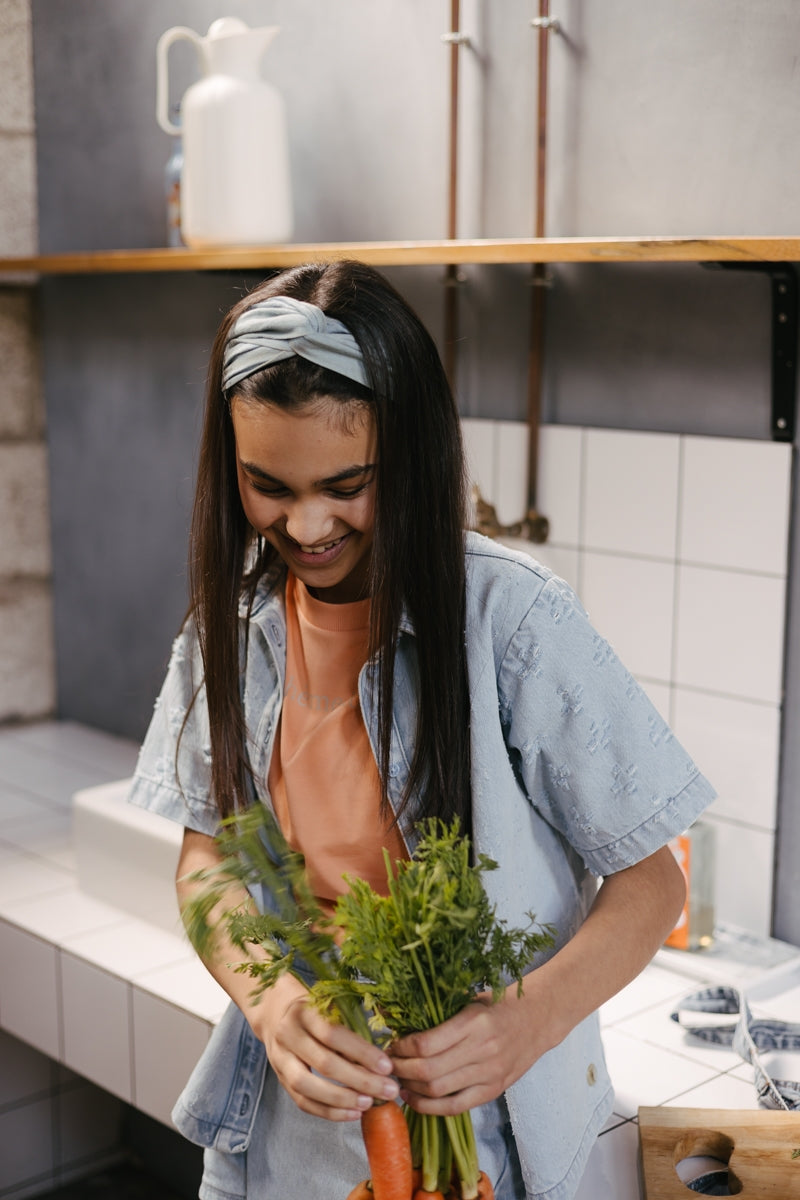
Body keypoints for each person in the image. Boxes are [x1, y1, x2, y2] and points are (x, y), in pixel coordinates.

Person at [128, 259, 715, 1200]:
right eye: (267, 485)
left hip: (493, 1145)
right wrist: (273, 1003)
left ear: (410, 455)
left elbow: (654, 883)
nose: (307, 523)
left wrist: (528, 1019)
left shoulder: (511, 622)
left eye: (346, 483)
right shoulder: (228, 635)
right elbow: (209, 861)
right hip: (294, 1145)